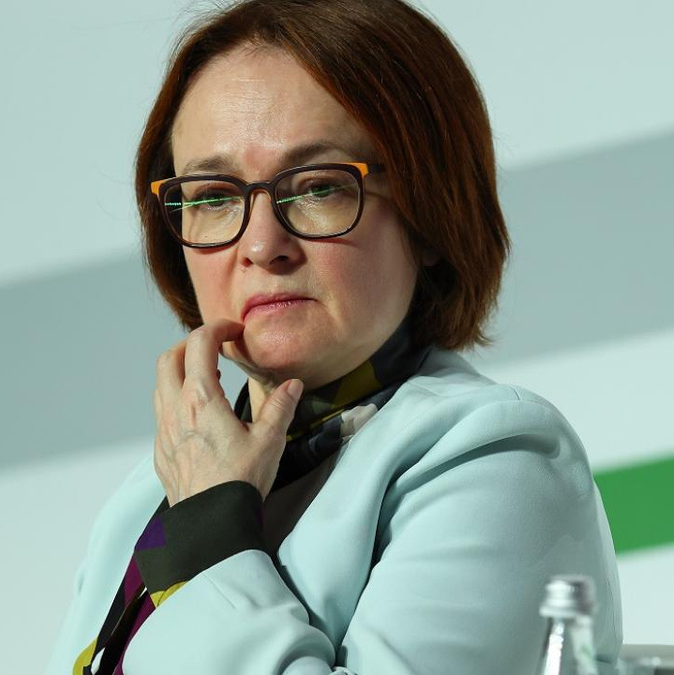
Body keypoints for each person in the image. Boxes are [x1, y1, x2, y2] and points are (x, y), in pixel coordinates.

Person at [47, 0, 622, 672]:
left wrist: (210, 533)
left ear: (429, 214)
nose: (261, 244)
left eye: (317, 187)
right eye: (213, 196)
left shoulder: (495, 459)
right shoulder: (151, 492)